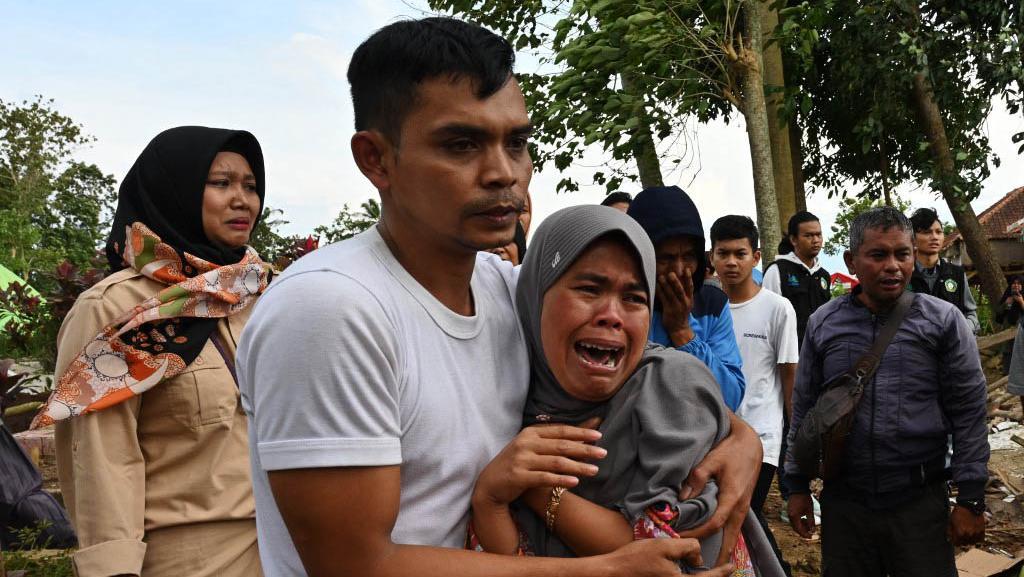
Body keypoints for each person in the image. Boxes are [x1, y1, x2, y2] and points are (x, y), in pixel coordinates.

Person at [236, 17, 762, 577]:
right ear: (376, 159)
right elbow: (354, 564)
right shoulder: (330, 311)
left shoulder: (505, 289)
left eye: (517, 143)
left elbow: (646, 370)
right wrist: (601, 570)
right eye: (461, 144)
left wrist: (742, 440)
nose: (503, 173)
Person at [471, 205, 782, 576]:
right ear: (535, 298)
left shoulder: (671, 385)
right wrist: (489, 499)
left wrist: (539, 492)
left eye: (634, 298)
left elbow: (685, 552)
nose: (612, 315)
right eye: (589, 289)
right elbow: (514, 563)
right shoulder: (504, 393)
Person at [33, 126, 270, 576]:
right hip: (188, 561)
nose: (242, 199)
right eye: (220, 183)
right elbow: (102, 460)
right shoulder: (116, 308)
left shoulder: (262, 297)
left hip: (288, 552)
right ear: (174, 189)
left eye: (251, 186)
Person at [784, 207, 989, 577]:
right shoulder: (824, 324)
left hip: (920, 503)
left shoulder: (943, 321)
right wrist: (795, 484)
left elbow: (970, 412)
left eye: (902, 254)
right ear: (851, 261)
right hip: (846, 503)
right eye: (878, 255)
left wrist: (971, 498)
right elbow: (804, 408)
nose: (892, 266)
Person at [710, 215, 797, 577]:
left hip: (762, 437)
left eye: (740, 253)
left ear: (756, 256)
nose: (731, 262)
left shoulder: (778, 309)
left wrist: (795, 436)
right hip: (714, 436)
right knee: (737, 518)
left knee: (745, 513)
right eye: (723, 253)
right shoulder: (705, 309)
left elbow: (789, 374)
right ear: (710, 257)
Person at [626, 186, 746, 411]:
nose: (680, 271)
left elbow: (731, 396)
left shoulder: (712, 305)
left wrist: (683, 332)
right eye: (665, 258)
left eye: (689, 256)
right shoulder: (620, 304)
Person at [907, 207, 980, 333]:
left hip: (953, 348)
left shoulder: (956, 273)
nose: (934, 237)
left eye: (939, 232)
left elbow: (971, 313)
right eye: (926, 232)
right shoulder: (904, 274)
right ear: (912, 238)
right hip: (915, 348)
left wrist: (962, 330)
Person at [762, 211, 830, 345]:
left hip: (821, 349)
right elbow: (767, 316)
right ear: (793, 240)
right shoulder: (777, 270)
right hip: (789, 353)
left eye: (818, 234)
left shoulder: (823, 275)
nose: (816, 240)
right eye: (809, 235)